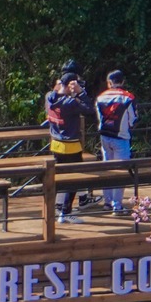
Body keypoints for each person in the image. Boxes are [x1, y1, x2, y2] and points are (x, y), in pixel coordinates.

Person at [44, 72, 96, 220]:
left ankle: (55, 209)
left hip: (56, 144)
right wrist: (80, 93)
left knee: (59, 178)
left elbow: (54, 95)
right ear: (71, 85)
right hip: (71, 146)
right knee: (75, 179)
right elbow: (90, 110)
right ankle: (66, 212)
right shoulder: (70, 103)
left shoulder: (50, 98)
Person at [94, 70, 137, 214]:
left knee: (108, 169)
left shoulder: (100, 97)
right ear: (122, 82)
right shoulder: (128, 97)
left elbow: (100, 117)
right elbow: (133, 119)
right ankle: (117, 206)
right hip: (121, 137)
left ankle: (107, 202)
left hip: (105, 136)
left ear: (109, 83)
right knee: (120, 172)